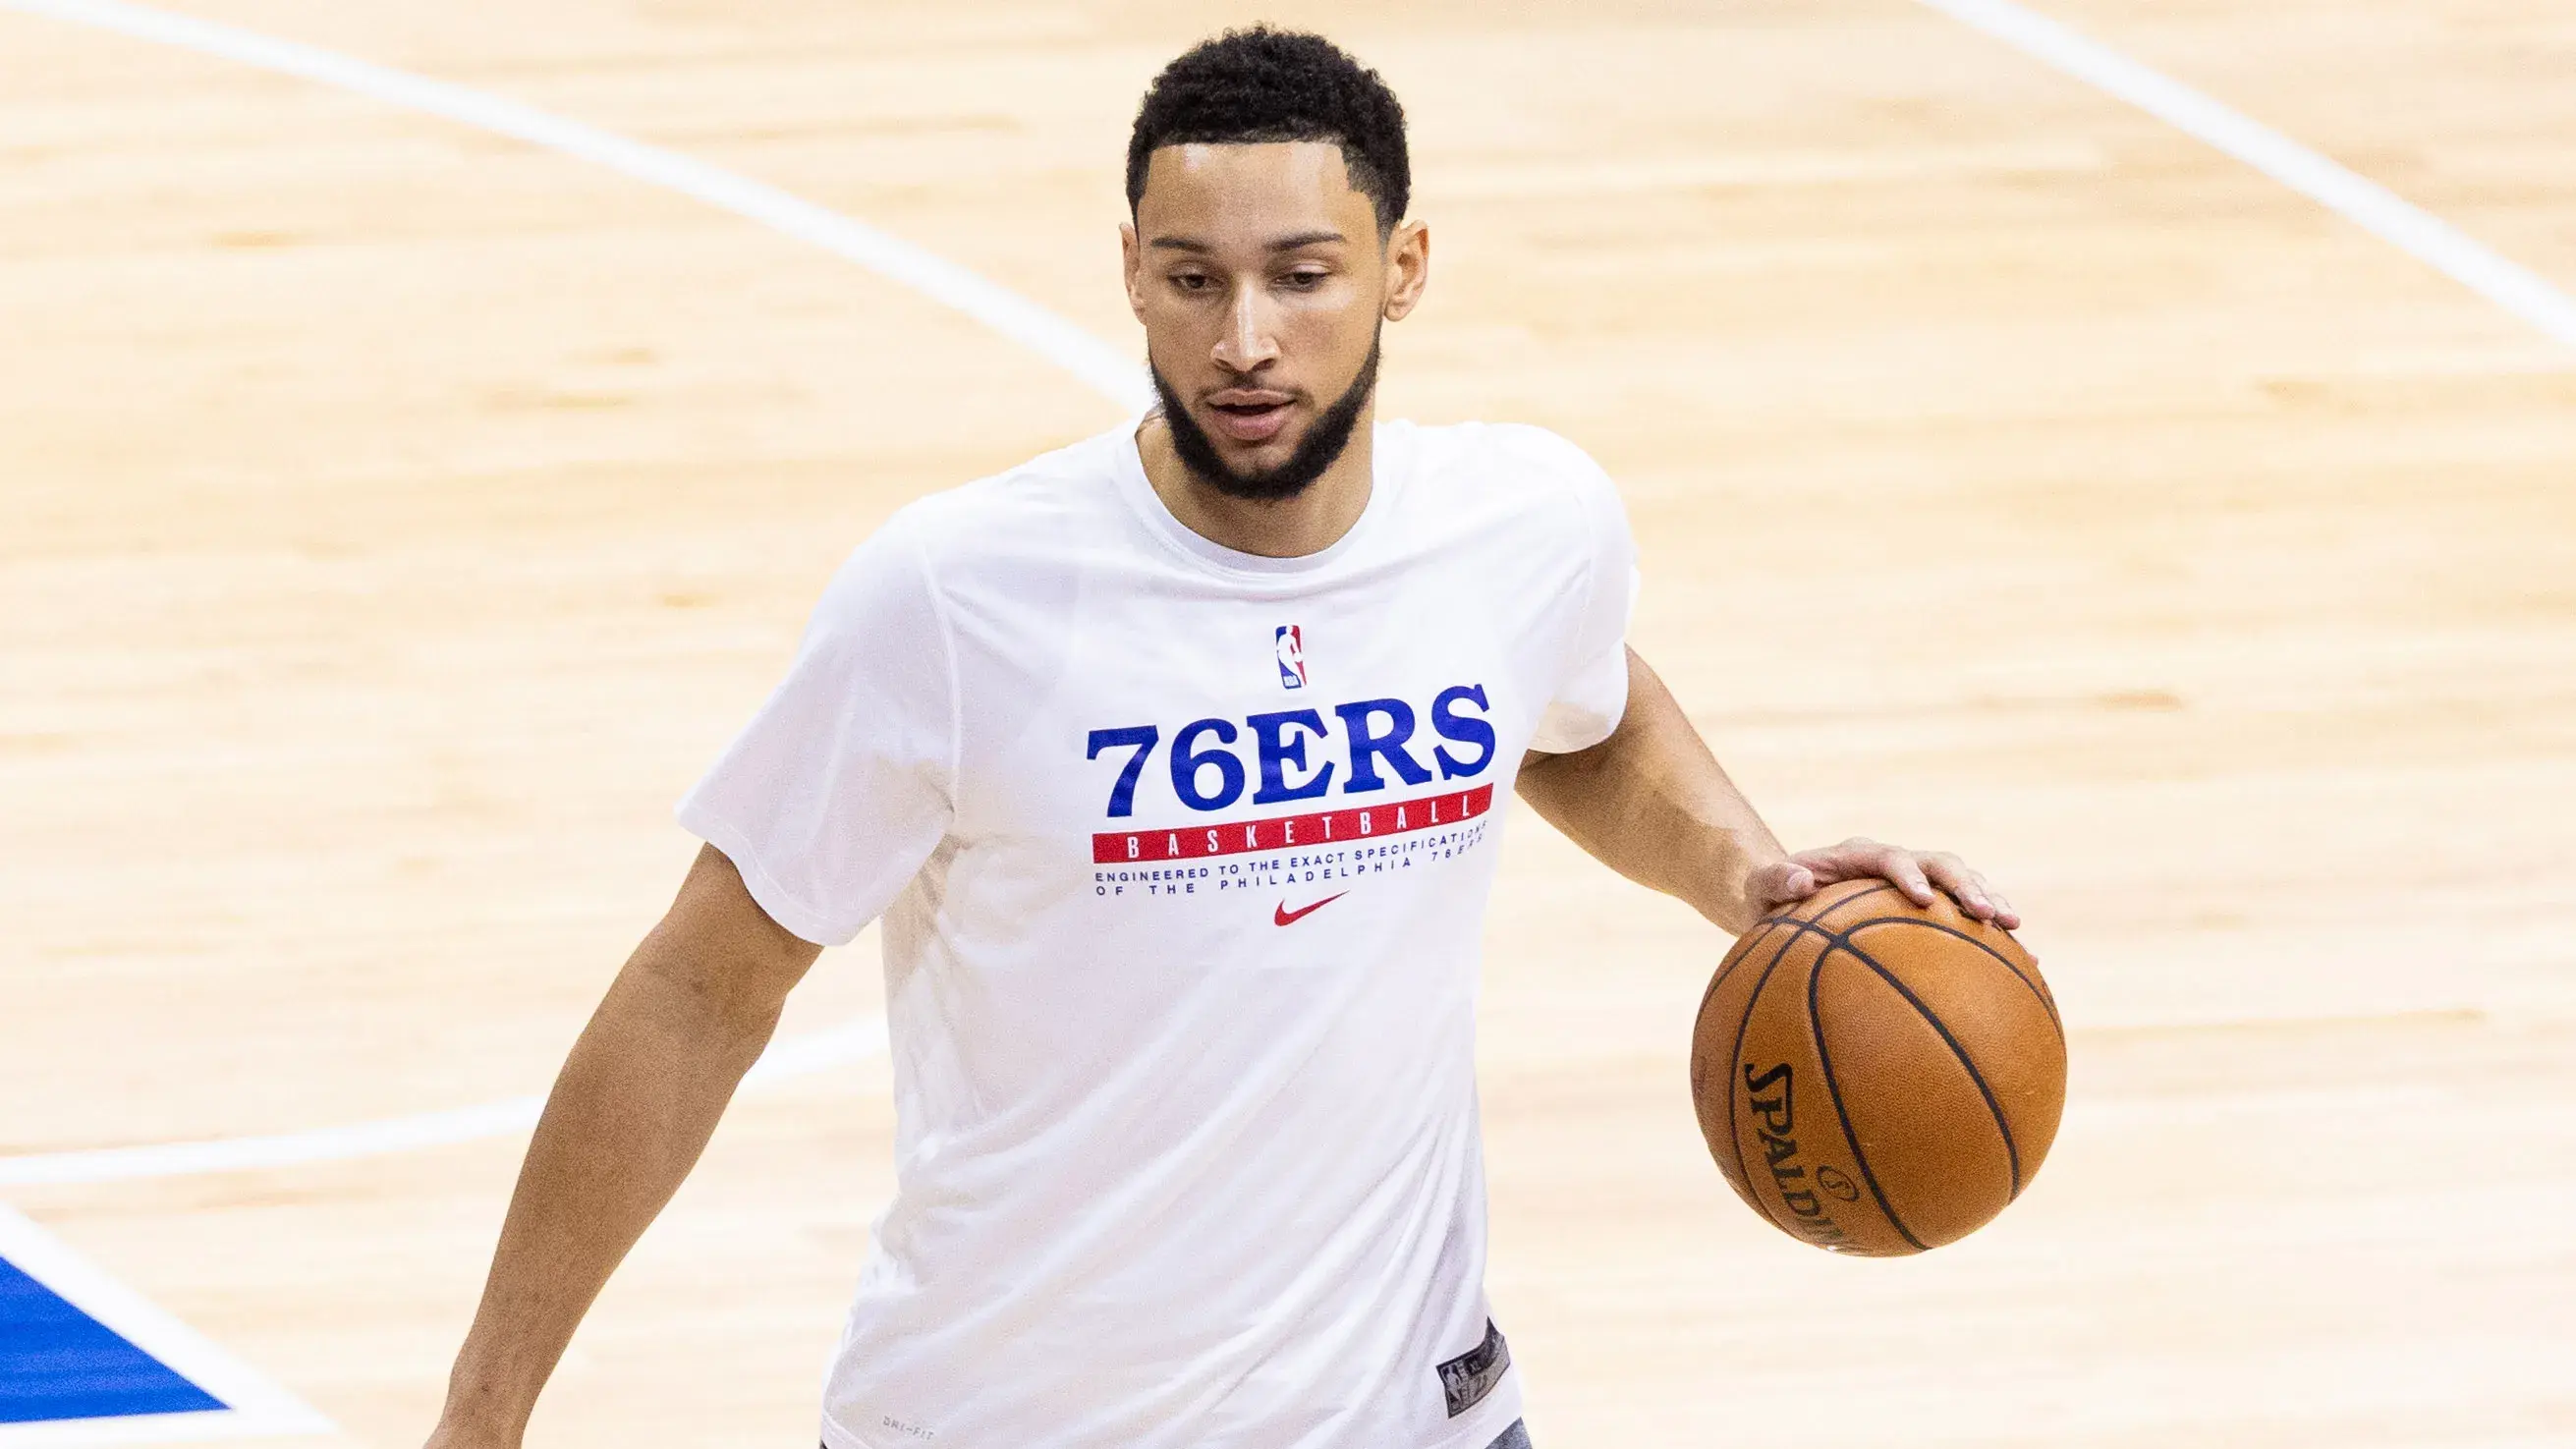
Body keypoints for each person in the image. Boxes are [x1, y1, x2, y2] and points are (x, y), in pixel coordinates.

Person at [422, 26, 2019, 1449]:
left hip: (1411, 1408)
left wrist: (1752, 870)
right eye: (1192, 279)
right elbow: (699, 992)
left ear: (1401, 268)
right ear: (1129, 273)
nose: (1243, 338)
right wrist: (481, 1413)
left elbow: (1581, 716)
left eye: (1301, 274)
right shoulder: (956, 596)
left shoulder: (1523, 523)